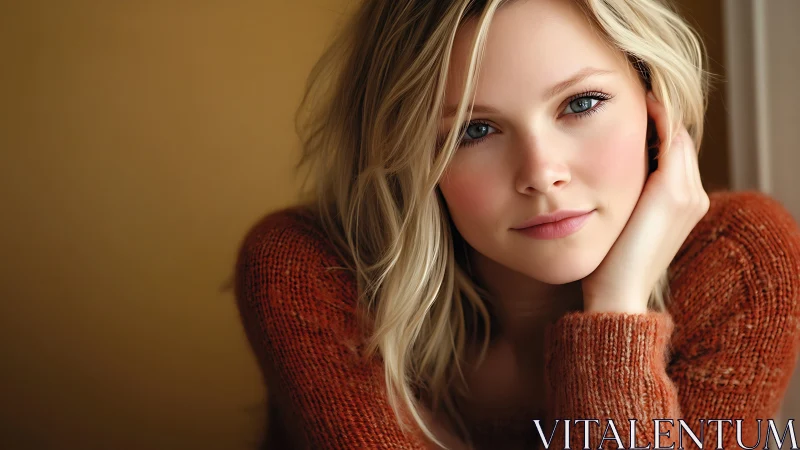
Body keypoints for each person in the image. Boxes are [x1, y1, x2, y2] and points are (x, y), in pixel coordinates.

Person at [234, 0, 800, 448]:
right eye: (473, 132)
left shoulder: (744, 262)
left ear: (657, 106)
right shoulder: (309, 270)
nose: (541, 173)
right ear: (407, 156)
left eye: (581, 104)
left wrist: (616, 305)